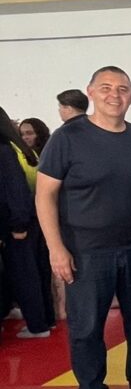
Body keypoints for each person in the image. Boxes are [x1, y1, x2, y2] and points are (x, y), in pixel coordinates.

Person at [36, 66, 131, 389]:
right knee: (87, 325)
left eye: (123, 88)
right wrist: (56, 248)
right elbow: (44, 196)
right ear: (91, 92)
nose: (115, 95)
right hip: (86, 250)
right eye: (107, 87)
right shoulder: (67, 137)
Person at [1, 104, 54, 338]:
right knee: (35, 272)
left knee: (25, 275)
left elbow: (14, 190)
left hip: (18, 223)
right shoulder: (22, 149)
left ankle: (38, 325)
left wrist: (18, 224)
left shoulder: (5, 150)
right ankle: (45, 320)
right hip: (31, 219)